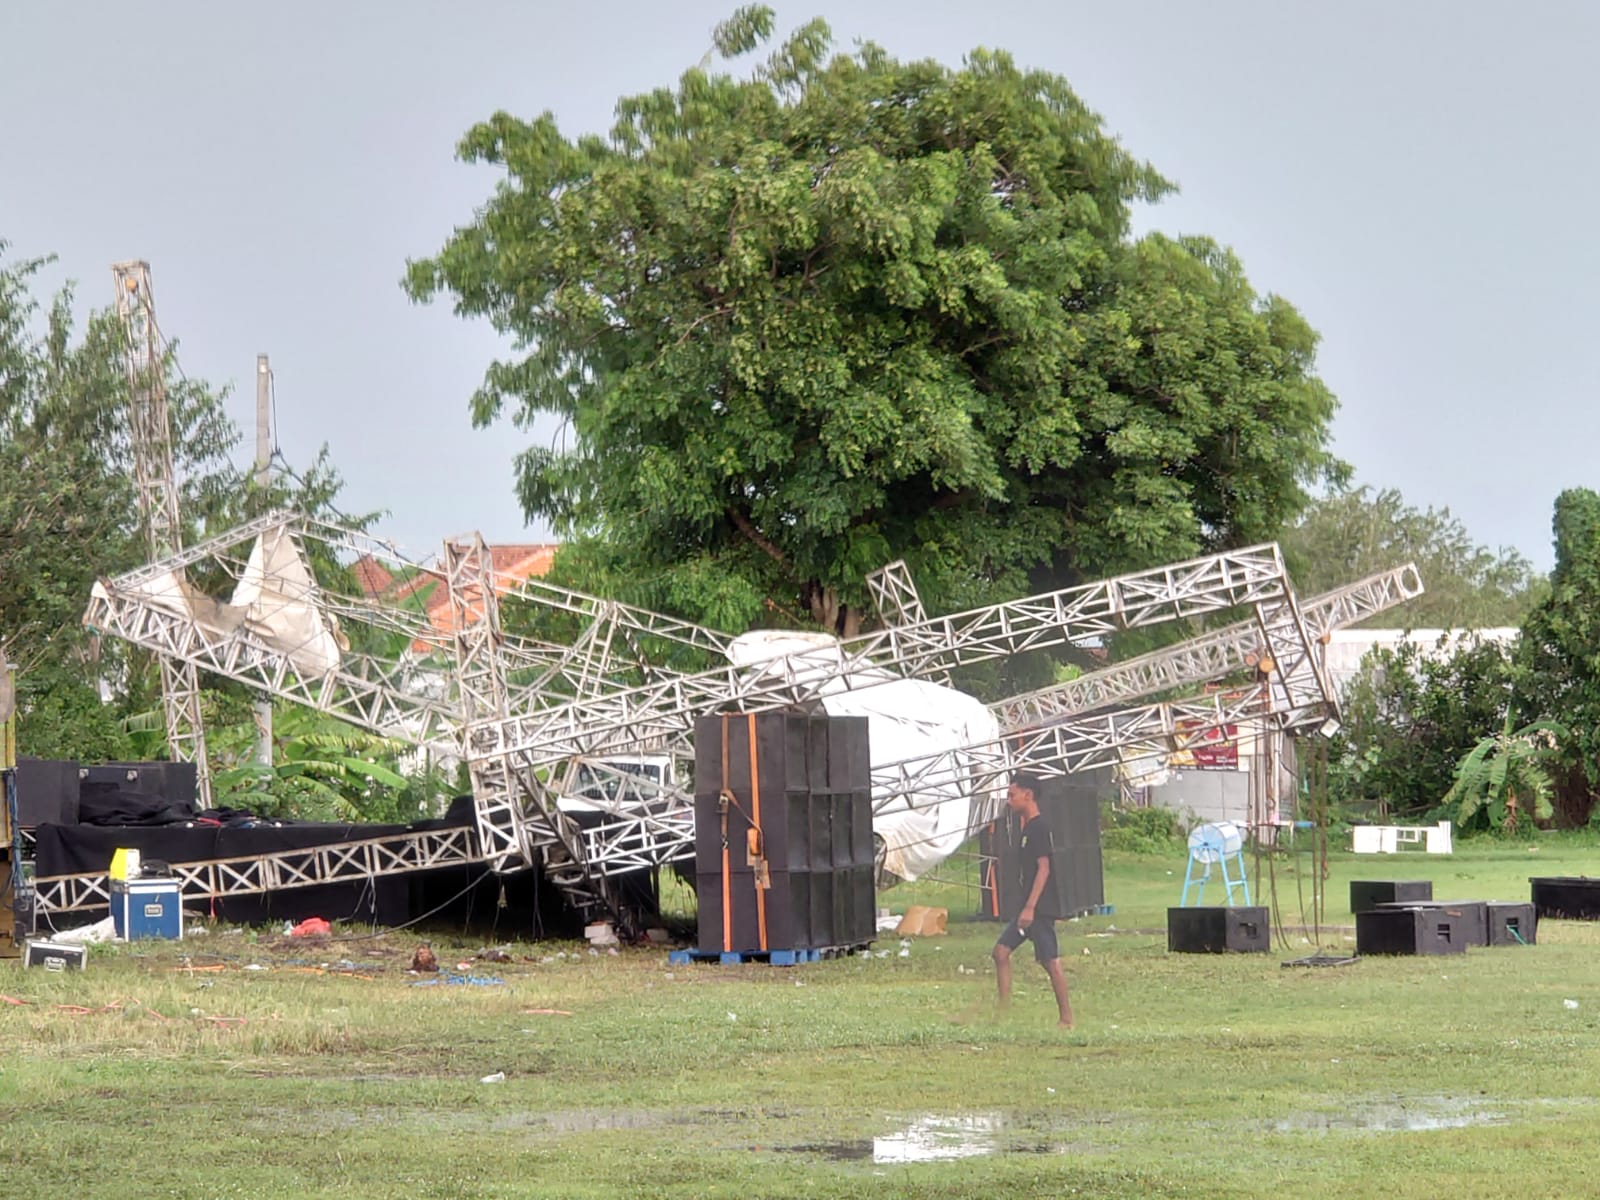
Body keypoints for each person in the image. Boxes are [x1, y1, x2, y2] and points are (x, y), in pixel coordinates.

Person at [992, 773, 1074, 1027]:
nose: (1009, 801)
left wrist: (1030, 907)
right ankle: (1004, 1012)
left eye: (1011, 795)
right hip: (1025, 908)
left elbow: (1044, 869)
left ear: (1028, 795)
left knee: (1050, 961)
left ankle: (1067, 1018)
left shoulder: (1039, 828)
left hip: (1038, 909)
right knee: (1000, 952)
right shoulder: (1026, 828)